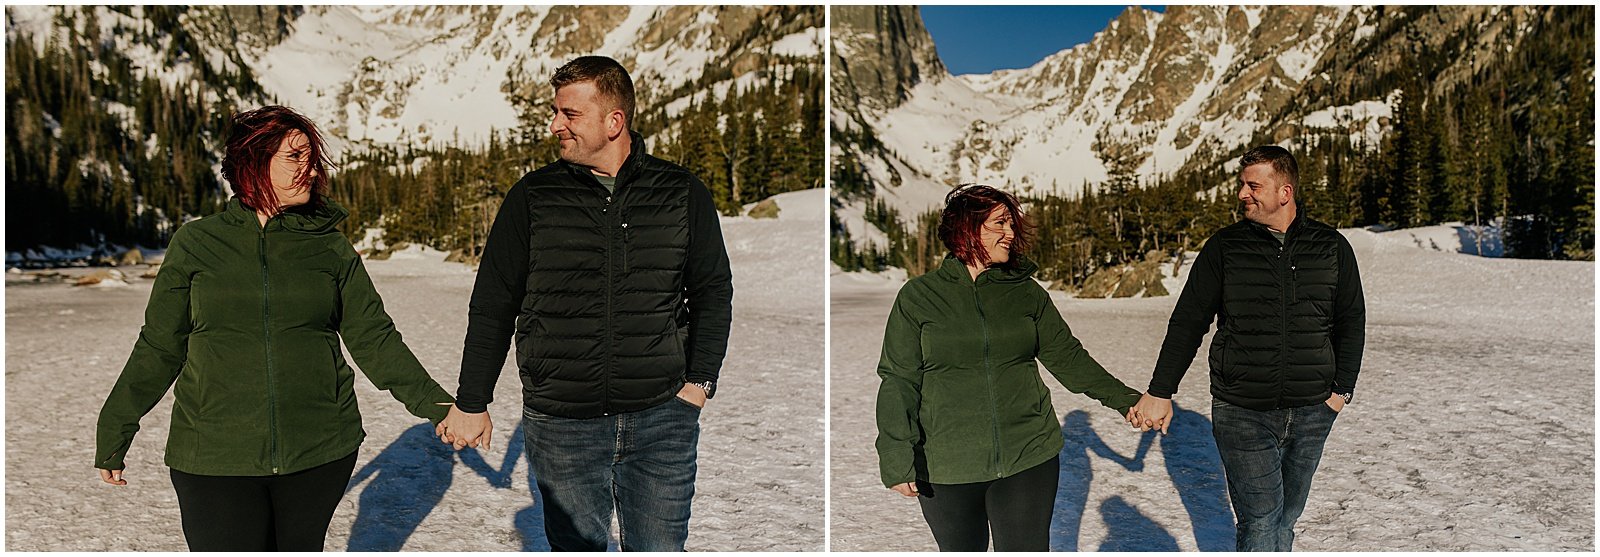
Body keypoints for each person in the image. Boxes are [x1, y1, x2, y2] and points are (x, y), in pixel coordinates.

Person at [93, 105, 456, 551]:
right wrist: (116, 425)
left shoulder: (328, 246)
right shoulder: (197, 244)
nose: (310, 168)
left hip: (319, 450)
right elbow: (160, 346)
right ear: (252, 160)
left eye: (311, 156)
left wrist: (438, 404)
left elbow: (373, 336)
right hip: (214, 456)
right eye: (294, 156)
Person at [436, 55, 734, 552]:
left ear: (614, 121)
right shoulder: (533, 197)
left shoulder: (681, 193)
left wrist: (699, 382)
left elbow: (712, 290)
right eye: (556, 112)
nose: (555, 125)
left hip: (663, 420)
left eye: (569, 114)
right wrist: (472, 400)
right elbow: (493, 304)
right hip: (563, 427)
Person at [875, 184, 1142, 552]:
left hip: (1028, 454)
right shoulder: (919, 297)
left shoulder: (1025, 292)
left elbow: (1066, 357)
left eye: (1012, 224)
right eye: (1000, 223)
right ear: (967, 228)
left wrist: (1127, 400)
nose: (1011, 233)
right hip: (946, 462)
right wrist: (895, 453)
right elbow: (899, 380)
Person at [1128, 145, 1366, 551]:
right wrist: (1161, 389)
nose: (1242, 194)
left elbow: (1350, 321)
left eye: (1253, 185)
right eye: (1242, 185)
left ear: (1285, 192)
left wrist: (1340, 392)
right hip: (1242, 410)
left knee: (1286, 518)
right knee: (1260, 519)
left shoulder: (1330, 246)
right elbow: (1188, 322)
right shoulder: (1225, 248)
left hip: (1313, 410)